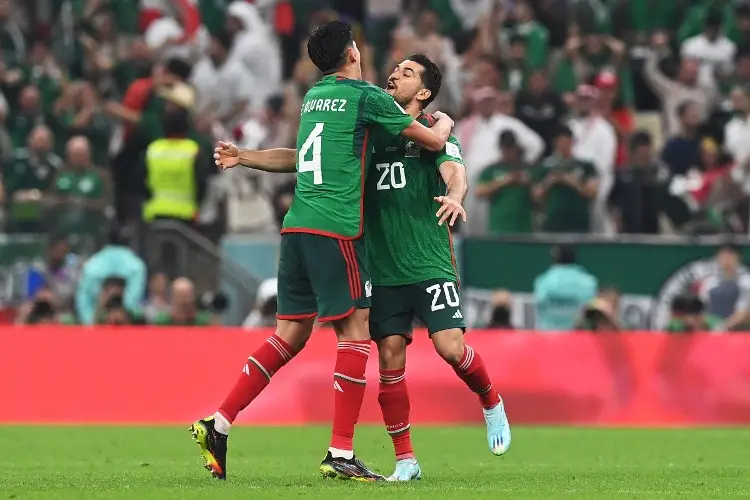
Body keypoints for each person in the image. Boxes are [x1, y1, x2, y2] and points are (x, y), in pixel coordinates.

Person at [192, 20, 455, 482]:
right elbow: (434, 140)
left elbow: (301, 156)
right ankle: (340, 450)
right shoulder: (367, 97)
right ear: (353, 54)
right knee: (356, 331)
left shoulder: (315, 97)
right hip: (336, 229)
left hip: (295, 228)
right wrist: (447, 119)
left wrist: (244, 156)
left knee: (289, 335)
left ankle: (219, 422)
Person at [365, 54, 510, 481]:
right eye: (395, 69)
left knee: (449, 347)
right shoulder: (371, 130)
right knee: (390, 361)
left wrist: (455, 195)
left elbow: (455, 171)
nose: (395, 74)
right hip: (384, 268)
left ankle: (490, 399)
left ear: (424, 92)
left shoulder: (435, 131)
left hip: (429, 263)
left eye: (407, 72)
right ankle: (406, 460)